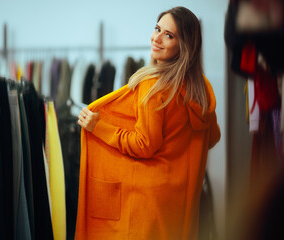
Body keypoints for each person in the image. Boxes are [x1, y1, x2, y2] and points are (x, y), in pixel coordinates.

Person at [75, 6, 221, 240]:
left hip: (146, 204)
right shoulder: (201, 90)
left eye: (169, 35)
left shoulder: (154, 87)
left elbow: (144, 144)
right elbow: (212, 137)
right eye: (157, 29)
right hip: (179, 203)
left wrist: (98, 126)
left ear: (185, 47)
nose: (157, 38)